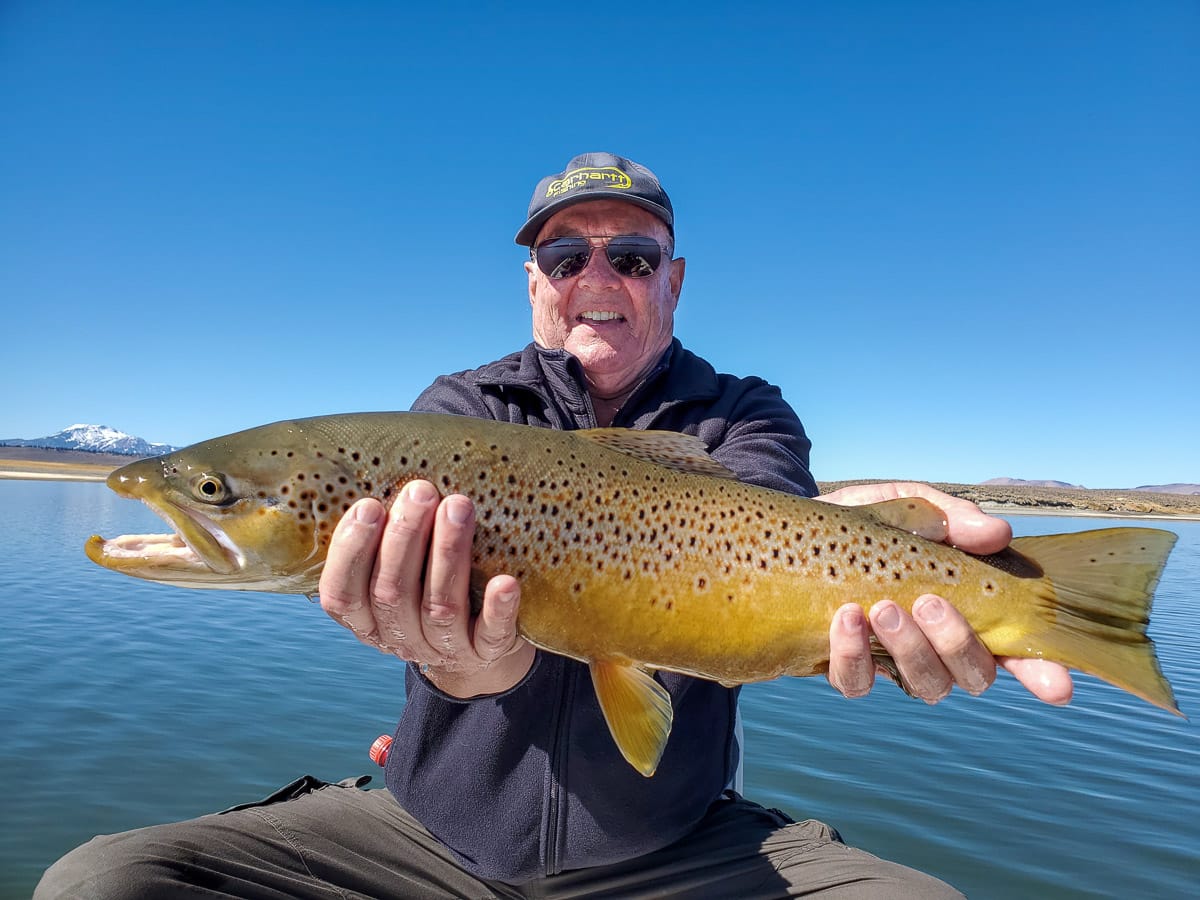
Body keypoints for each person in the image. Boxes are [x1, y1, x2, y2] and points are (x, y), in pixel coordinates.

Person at [38, 152, 1073, 899]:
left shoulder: (746, 412)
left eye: (631, 255)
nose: (597, 278)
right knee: (106, 881)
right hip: (431, 838)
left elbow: (776, 525)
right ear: (534, 281)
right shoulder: (458, 411)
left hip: (679, 850)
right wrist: (464, 668)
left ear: (673, 281)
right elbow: (453, 648)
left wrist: (885, 531)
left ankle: (1065, 608)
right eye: (566, 255)